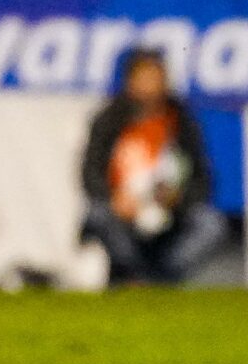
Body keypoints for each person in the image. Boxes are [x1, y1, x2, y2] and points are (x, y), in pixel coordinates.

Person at [79, 48, 227, 285]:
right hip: (123, 211)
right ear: (130, 81)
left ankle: (163, 278)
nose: (151, 86)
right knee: (97, 215)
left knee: (211, 224)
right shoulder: (109, 120)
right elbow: (90, 174)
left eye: (156, 77)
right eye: (144, 78)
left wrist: (176, 199)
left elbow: (202, 180)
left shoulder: (181, 121)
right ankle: (134, 274)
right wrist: (115, 198)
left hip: (169, 214)